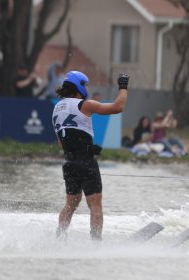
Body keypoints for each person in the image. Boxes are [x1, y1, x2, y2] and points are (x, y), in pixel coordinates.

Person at [52, 70, 130, 241]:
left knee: (70, 204)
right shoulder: (85, 105)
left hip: (69, 163)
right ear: (80, 86)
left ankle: (59, 239)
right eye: (85, 85)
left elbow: (61, 142)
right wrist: (123, 86)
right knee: (95, 205)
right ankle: (96, 244)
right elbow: (118, 107)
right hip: (86, 162)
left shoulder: (56, 110)